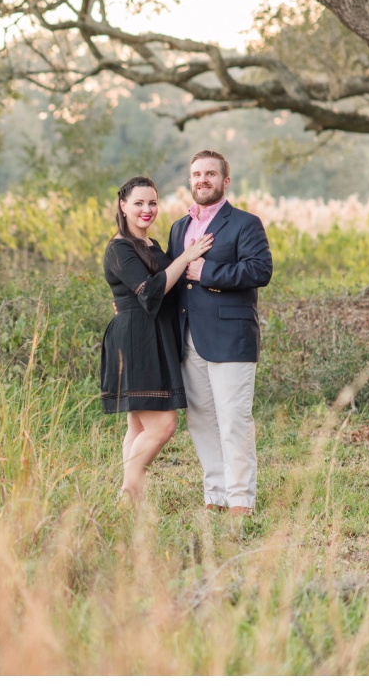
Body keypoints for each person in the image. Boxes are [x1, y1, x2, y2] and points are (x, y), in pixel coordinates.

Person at [168, 150, 273, 517]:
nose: (202, 180)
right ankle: (215, 495)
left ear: (225, 181)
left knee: (234, 420)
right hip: (189, 338)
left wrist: (206, 273)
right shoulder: (179, 228)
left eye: (210, 174)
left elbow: (260, 270)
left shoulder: (245, 223)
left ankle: (241, 500)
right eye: (196, 174)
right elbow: (170, 281)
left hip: (231, 338)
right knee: (201, 420)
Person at [100, 176, 213, 503]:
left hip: (153, 335)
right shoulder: (119, 247)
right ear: (123, 206)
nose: (147, 209)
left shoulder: (149, 245)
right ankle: (128, 492)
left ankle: (129, 502)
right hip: (136, 339)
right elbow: (150, 291)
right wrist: (187, 255)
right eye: (138, 203)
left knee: (137, 426)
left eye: (152, 203)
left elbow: (166, 286)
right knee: (162, 425)